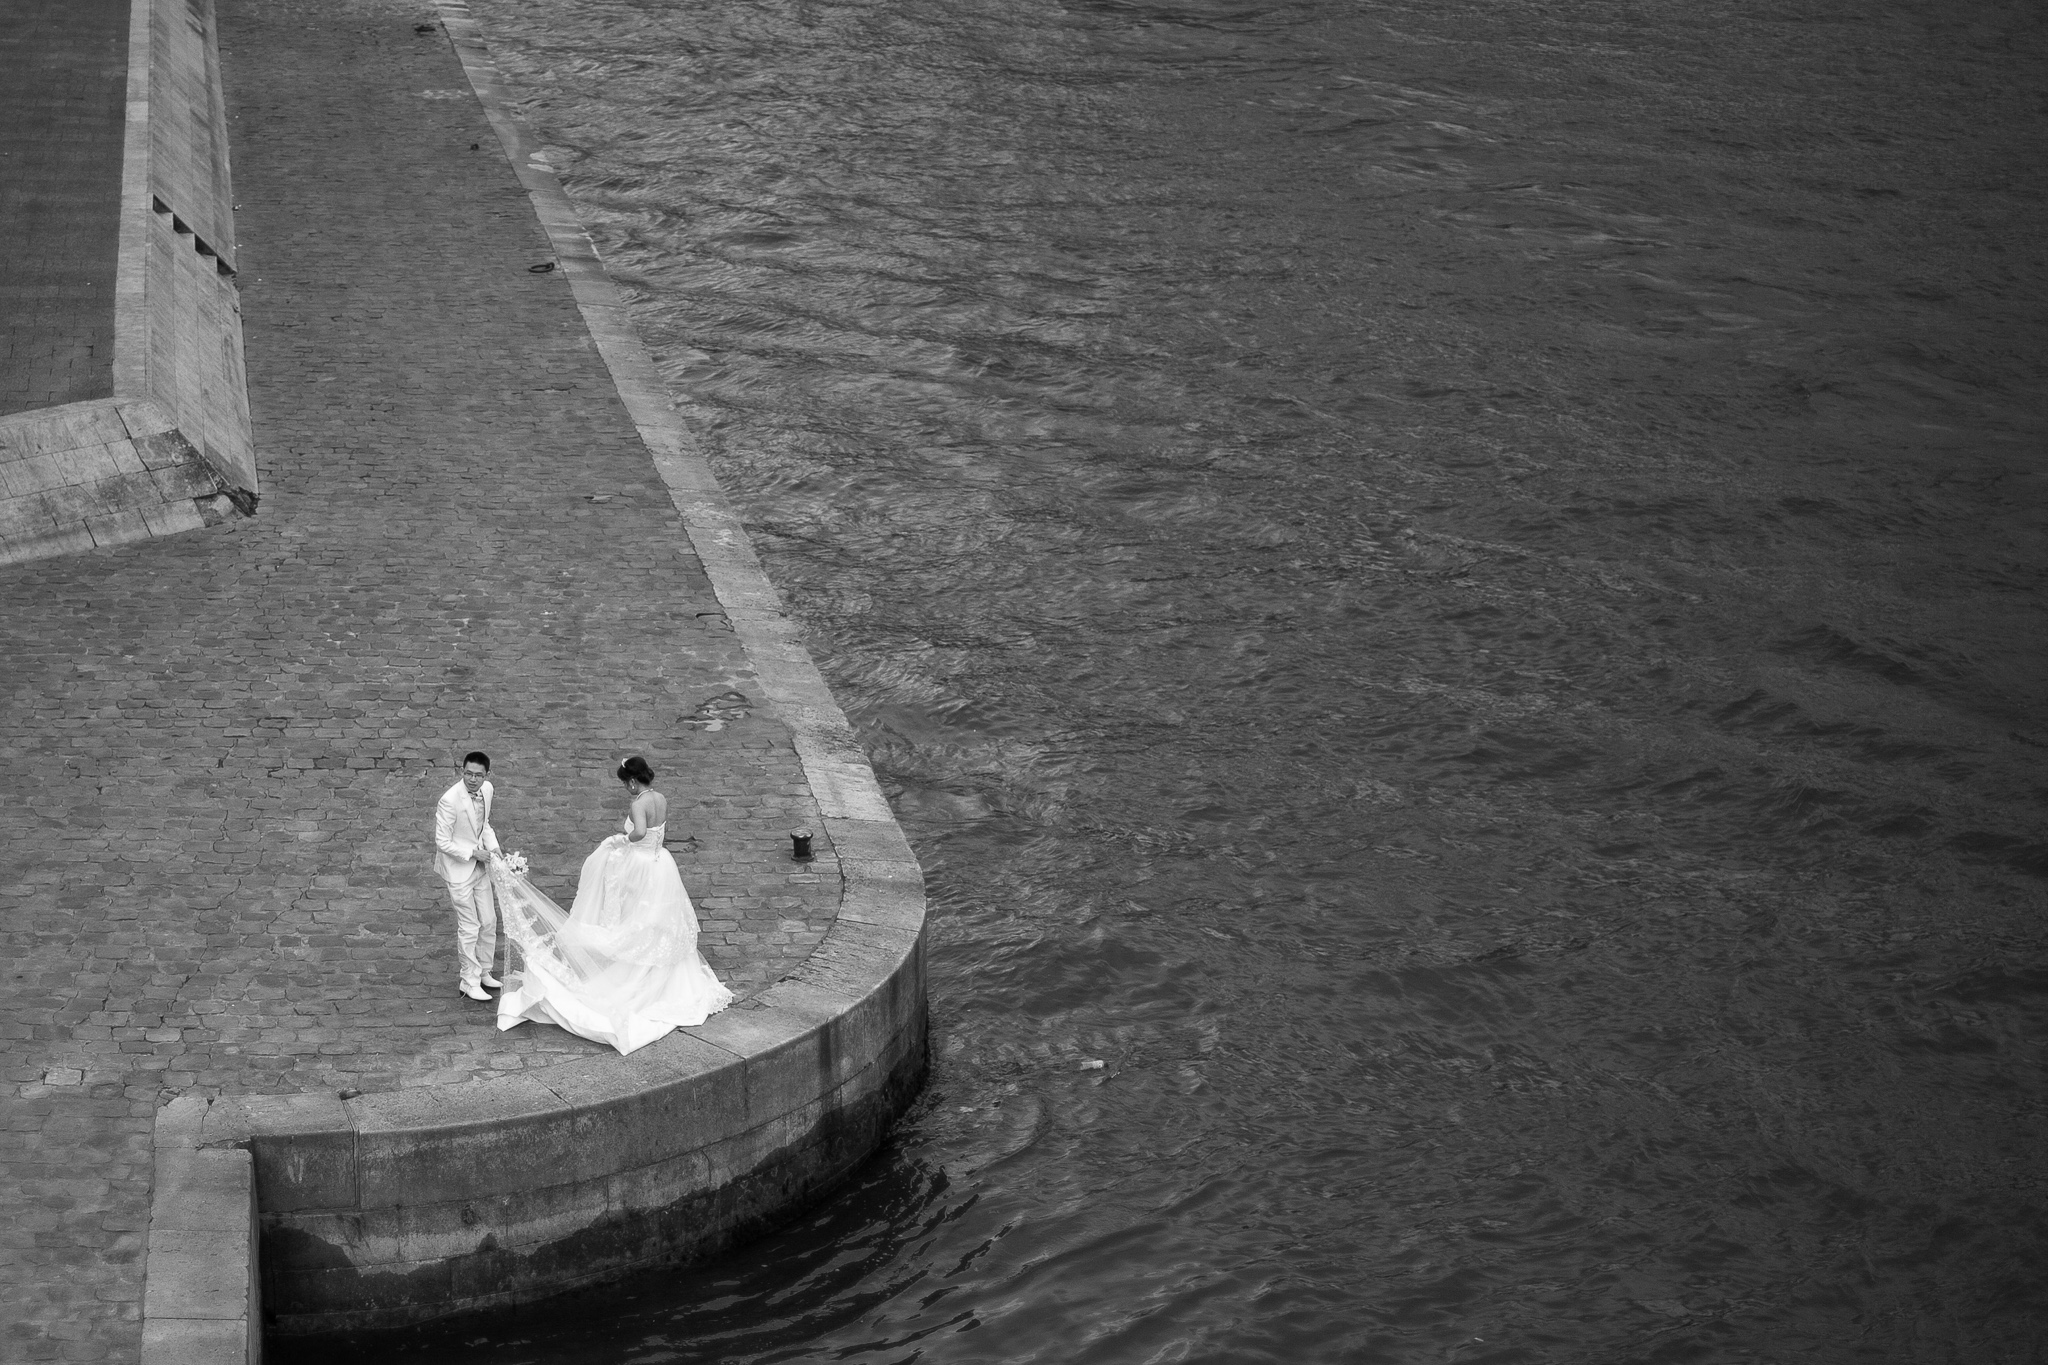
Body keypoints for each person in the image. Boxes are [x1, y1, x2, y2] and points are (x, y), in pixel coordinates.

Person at [492, 755, 733, 1053]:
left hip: (641, 865)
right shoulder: (660, 797)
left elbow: (641, 832)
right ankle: (663, 976)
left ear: (632, 781)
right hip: (661, 863)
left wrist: (624, 838)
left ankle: (635, 975)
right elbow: (659, 831)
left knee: (635, 919)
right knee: (659, 921)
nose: (626, 789)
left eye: (625, 784)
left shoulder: (638, 804)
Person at [433, 751, 503, 1002]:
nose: (473, 780)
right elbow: (441, 841)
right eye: (468, 774)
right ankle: (468, 980)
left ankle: (484, 971)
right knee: (470, 926)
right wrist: (474, 853)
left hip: (480, 868)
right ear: (462, 771)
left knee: (489, 920)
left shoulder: (488, 790)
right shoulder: (449, 800)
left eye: (478, 775)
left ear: (487, 775)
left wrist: (494, 849)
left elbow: (484, 825)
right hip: (459, 870)